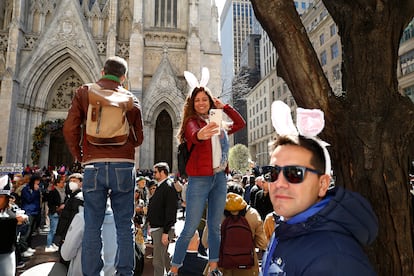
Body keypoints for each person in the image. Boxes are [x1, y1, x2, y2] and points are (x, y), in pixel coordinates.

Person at [261, 101, 378, 275]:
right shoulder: (286, 229)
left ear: (322, 184)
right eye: (272, 172)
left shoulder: (335, 258)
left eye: (294, 173)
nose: (279, 183)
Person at [63, 56, 144, 276]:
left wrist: (80, 154)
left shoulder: (84, 93)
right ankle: (124, 272)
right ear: (123, 77)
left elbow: (69, 128)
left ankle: (91, 273)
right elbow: (138, 138)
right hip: (123, 166)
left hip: (93, 165)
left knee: (92, 225)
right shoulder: (131, 99)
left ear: (102, 72)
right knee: (124, 226)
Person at [168, 67, 246, 276]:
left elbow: (240, 123)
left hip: (219, 178)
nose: (201, 103)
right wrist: (202, 133)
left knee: (214, 227)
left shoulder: (217, 119)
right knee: (190, 227)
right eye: (197, 100)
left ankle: (213, 267)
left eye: (205, 99)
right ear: (192, 104)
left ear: (210, 101)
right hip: (199, 180)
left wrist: (225, 107)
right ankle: (175, 268)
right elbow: (194, 135)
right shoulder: (191, 122)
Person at [147, 162, 178, 276]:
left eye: (155, 172)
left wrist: (166, 232)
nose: (153, 174)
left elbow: (170, 211)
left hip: (162, 229)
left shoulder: (168, 187)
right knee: (164, 257)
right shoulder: (161, 186)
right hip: (157, 228)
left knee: (157, 261)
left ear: (162, 172)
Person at [0, 175, 28, 276]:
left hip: (7, 253)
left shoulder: (9, 210)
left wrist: (22, 220)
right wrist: (15, 221)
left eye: (1, 197)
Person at [45, 174, 66, 252]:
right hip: (54, 212)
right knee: (52, 230)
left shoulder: (63, 191)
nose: (63, 184)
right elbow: (50, 203)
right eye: (62, 182)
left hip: (60, 212)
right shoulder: (53, 192)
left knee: (55, 229)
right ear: (57, 183)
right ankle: (48, 245)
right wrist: (57, 208)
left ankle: (51, 243)